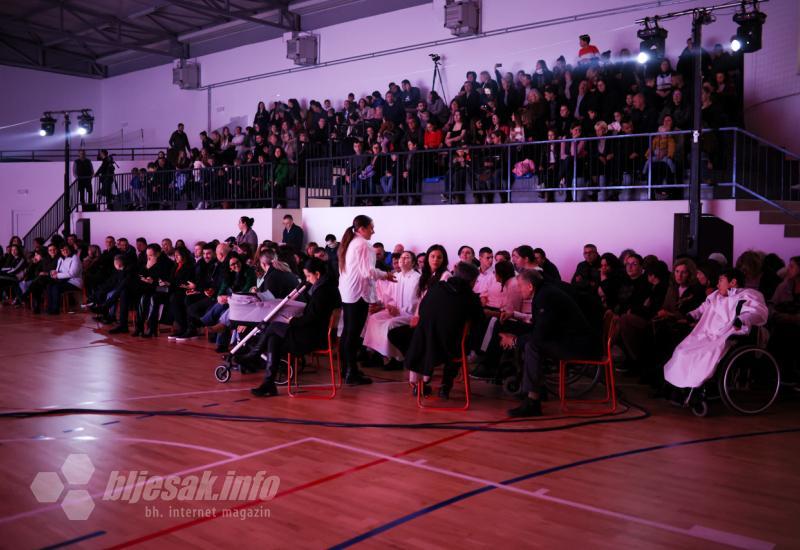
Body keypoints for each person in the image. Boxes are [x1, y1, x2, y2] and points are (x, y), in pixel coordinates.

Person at [503, 269, 599, 417]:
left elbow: (540, 334)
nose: (519, 289)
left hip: (579, 345)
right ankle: (536, 393)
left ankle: (533, 400)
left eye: (520, 286)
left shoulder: (545, 297)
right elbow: (540, 328)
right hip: (573, 340)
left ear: (530, 286)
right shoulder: (545, 292)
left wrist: (515, 341)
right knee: (530, 343)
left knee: (533, 346)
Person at [663, 268, 768, 391]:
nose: (717, 285)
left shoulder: (748, 295)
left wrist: (742, 319)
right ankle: (680, 388)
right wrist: (691, 315)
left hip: (726, 335)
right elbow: (702, 308)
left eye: (720, 281)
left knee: (703, 355)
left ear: (733, 282)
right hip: (707, 333)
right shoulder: (716, 296)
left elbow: (756, 312)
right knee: (682, 351)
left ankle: (695, 386)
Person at [250, 258, 342, 397]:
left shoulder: (324, 292)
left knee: (274, 328)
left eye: (308, 276)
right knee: (274, 337)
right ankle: (267, 381)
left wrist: (292, 321)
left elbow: (312, 317)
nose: (307, 279)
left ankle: (256, 357)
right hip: (313, 332)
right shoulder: (325, 287)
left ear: (317, 274)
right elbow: (312, 315)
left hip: (314, 337)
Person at [404, 262, 483, 399]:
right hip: (449, 349)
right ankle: (446, 386)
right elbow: (478, 320)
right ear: (471, 281)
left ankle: (422, 384)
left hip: (424, 344)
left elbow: (422, 310)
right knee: (461, 341)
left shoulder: (436, 288)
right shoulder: (470, 297)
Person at [338, 215, 395, 385]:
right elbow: (368, 271)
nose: (373, 231)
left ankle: (346, 369)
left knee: (347, 332)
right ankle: (351, 372)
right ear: (361, 229)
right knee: (353, 335)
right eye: (371, 227)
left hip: (349, 293)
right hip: (359, 294)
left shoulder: (350, 243)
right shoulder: (364, 245)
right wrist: (386, 275)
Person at [362, 250, 421, 368]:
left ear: (413, 262)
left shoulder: (417, 278)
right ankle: (377, 355)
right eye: (401, 257)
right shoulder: (396, 276)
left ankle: (397, 358)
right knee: (373, 319)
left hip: (409, 313)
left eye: (407, 257)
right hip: (395, 310)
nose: (402, 259)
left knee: (390, 324)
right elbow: (389, 296)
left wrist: (399, 310)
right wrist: (388, 306)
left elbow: (416, 301)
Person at [46, 243, 83, 315]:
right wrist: (53, 272)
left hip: (74, 282)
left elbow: (73, 273)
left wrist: (57, 275)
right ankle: (50, 308)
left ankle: (55, 309)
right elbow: (58, 271)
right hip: (64, 281)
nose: (64, 251)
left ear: (70, 249)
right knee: (49, 285)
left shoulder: (75, 257)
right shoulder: (62, 259)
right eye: (62, 250)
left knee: (56, 287)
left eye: (66, 249)